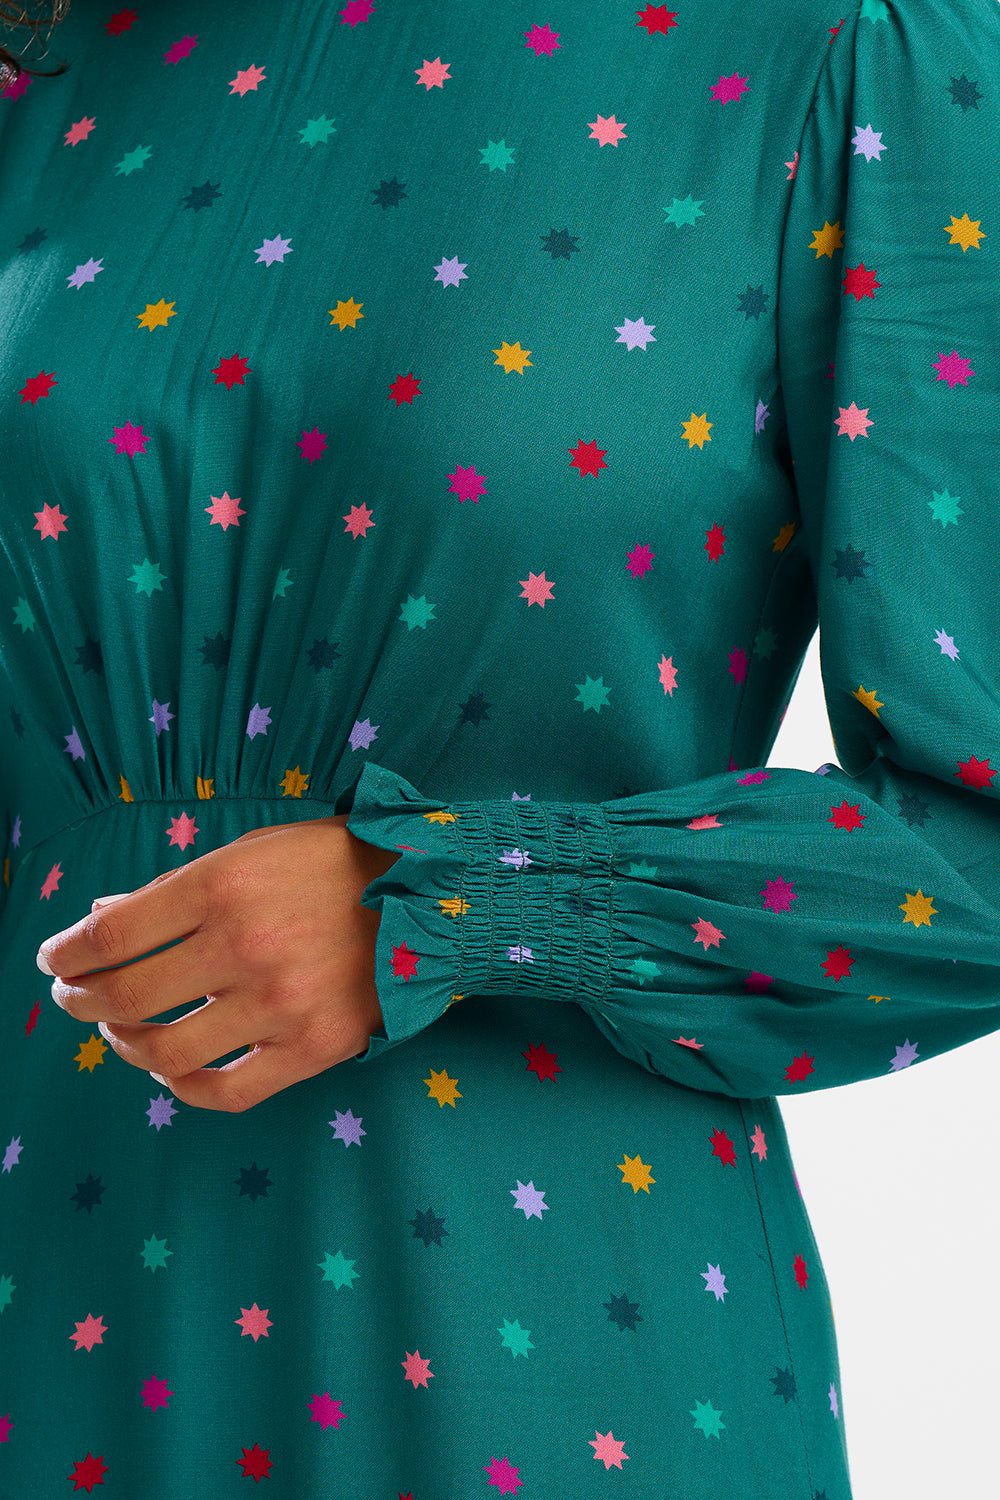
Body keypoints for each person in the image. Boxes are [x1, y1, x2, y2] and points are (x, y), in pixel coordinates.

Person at [1, 0, 997, 1494]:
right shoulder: (69, 62)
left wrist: (462, 901)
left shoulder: (846, 46)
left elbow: (972, 846)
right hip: (48, 1270)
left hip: (520, 1338)